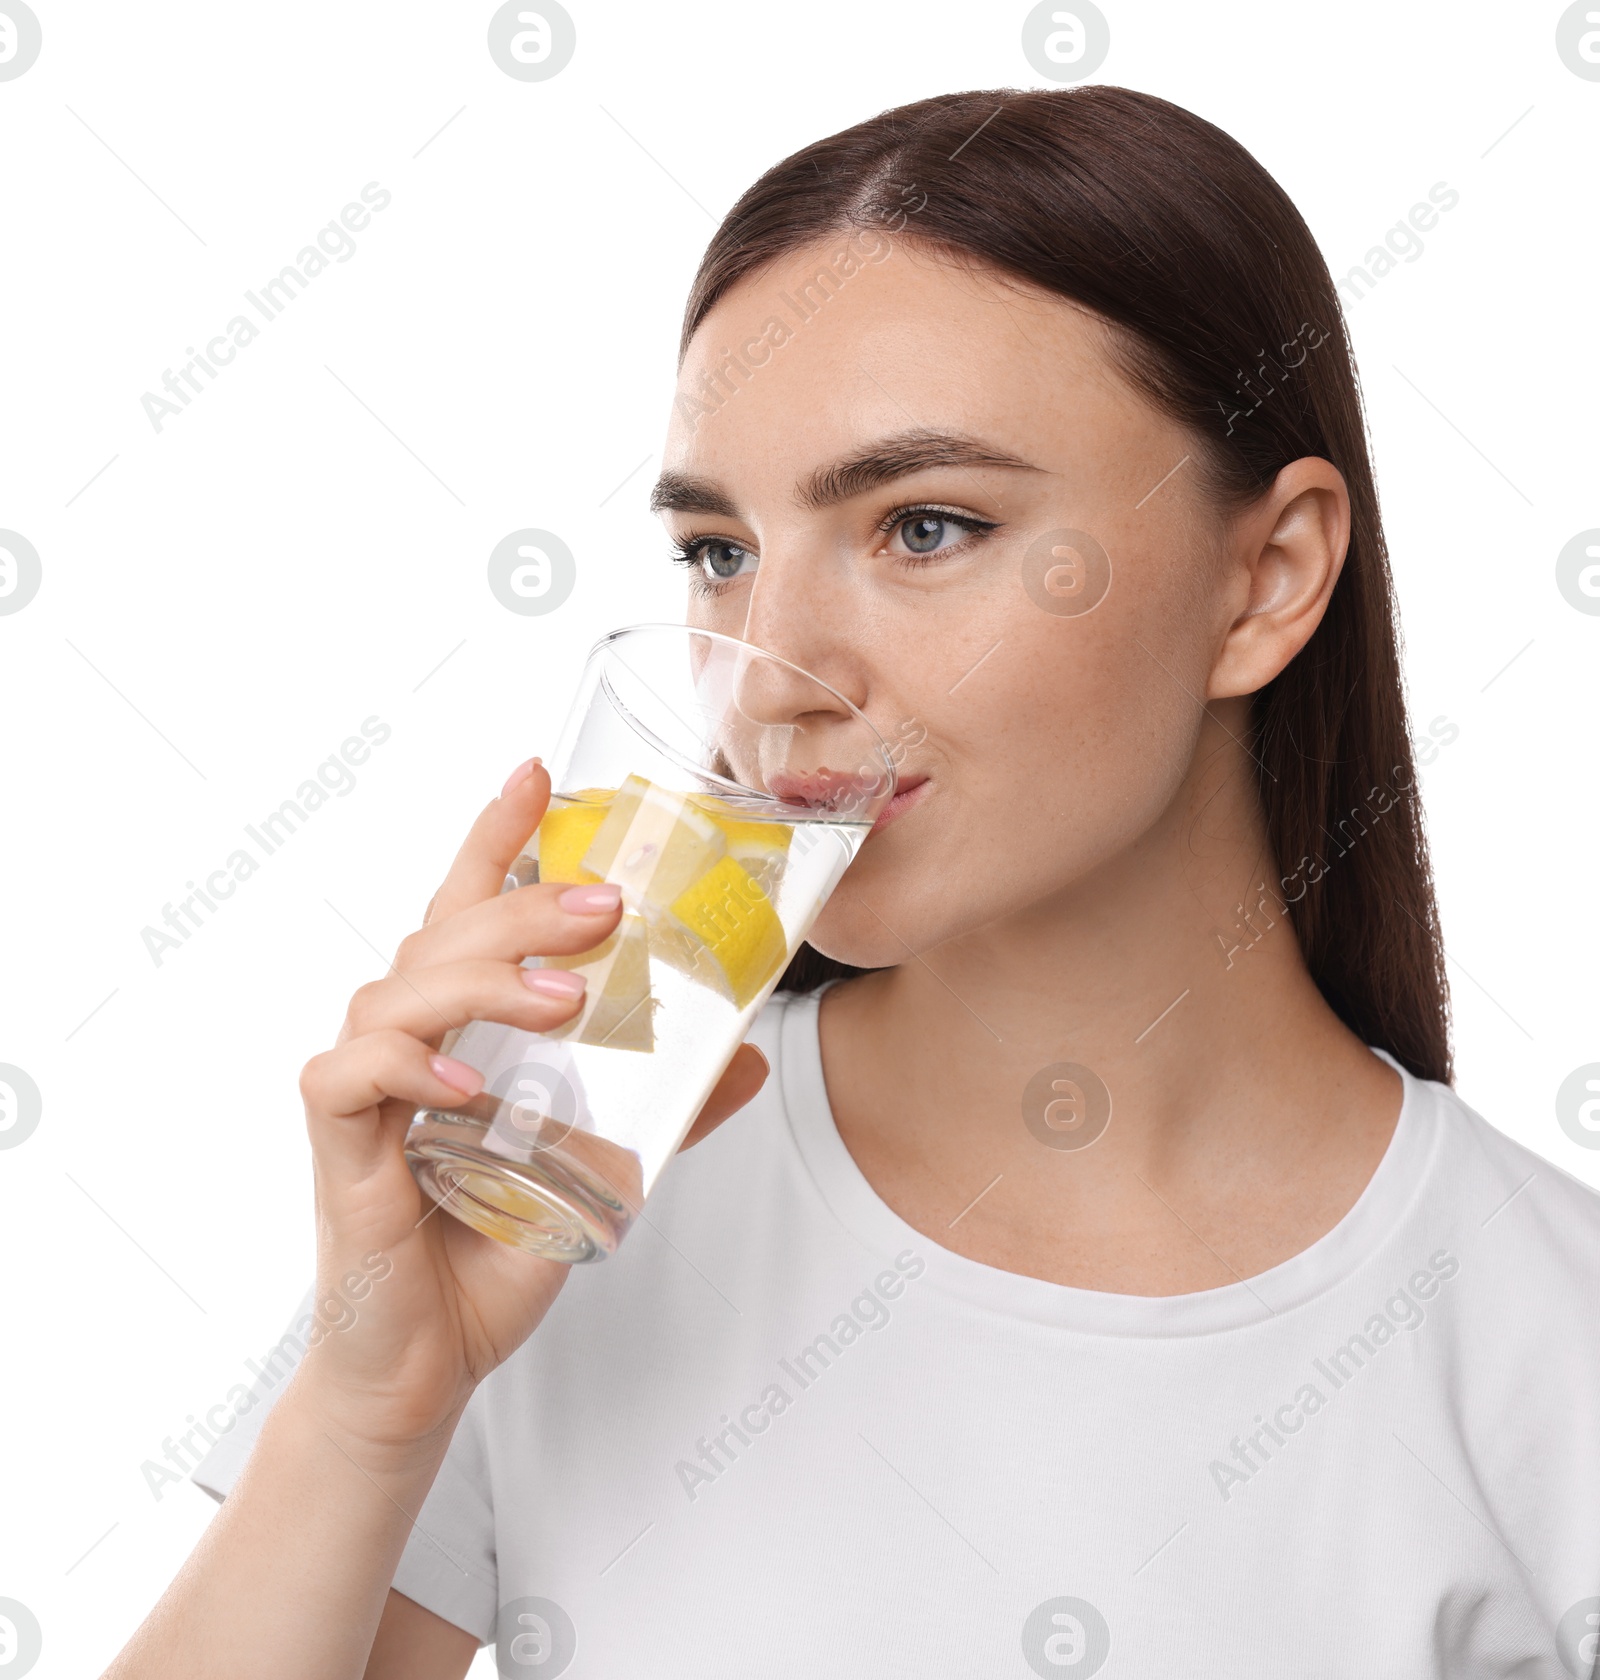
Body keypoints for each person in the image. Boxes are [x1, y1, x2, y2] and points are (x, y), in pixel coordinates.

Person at [107, 85, 1600, 1679]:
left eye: (926, 526)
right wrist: (362, 1409)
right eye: (719, 553)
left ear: (1269, 577)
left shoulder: (1542, 1353)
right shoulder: (563, 1186)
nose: (769, 682)